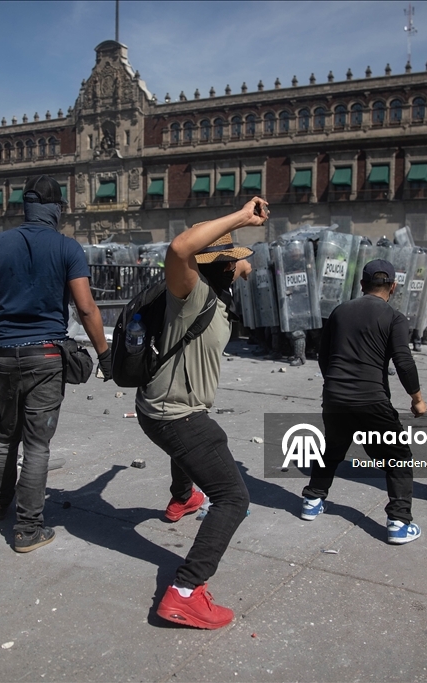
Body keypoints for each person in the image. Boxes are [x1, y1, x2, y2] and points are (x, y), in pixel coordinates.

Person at [136, 198, 265, 630]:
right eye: (229, 262)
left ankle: (182, 498)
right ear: (214, 266)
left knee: (199, 445)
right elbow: (178, 249)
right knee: (233, 498)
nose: (236, 267)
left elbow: (242, 264)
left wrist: (240, 256)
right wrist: (242, 217)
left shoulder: (217, 292)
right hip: (174, 412)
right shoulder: (189, 292)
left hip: (170, 407)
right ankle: (186, 591)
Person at [0, 175, 111, 552]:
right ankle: (28, 530)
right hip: (46, 355)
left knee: (5, 432)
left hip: (3, 353)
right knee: (36, 444)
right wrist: (104, 354)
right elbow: (86, 308)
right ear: (56, 209)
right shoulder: (67, 248)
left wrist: (2, 322)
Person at [301, 259, 427, 544]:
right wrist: (417, 398)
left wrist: (334, 384)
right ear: (393, 287)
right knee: (398, 457)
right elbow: (404, 361)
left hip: (335, 396)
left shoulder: (340, 311)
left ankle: (312, 501)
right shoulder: (394, 317)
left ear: (362, 285)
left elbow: (323, 355)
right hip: (372, 400)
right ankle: (399, 522)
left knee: (333, 447)